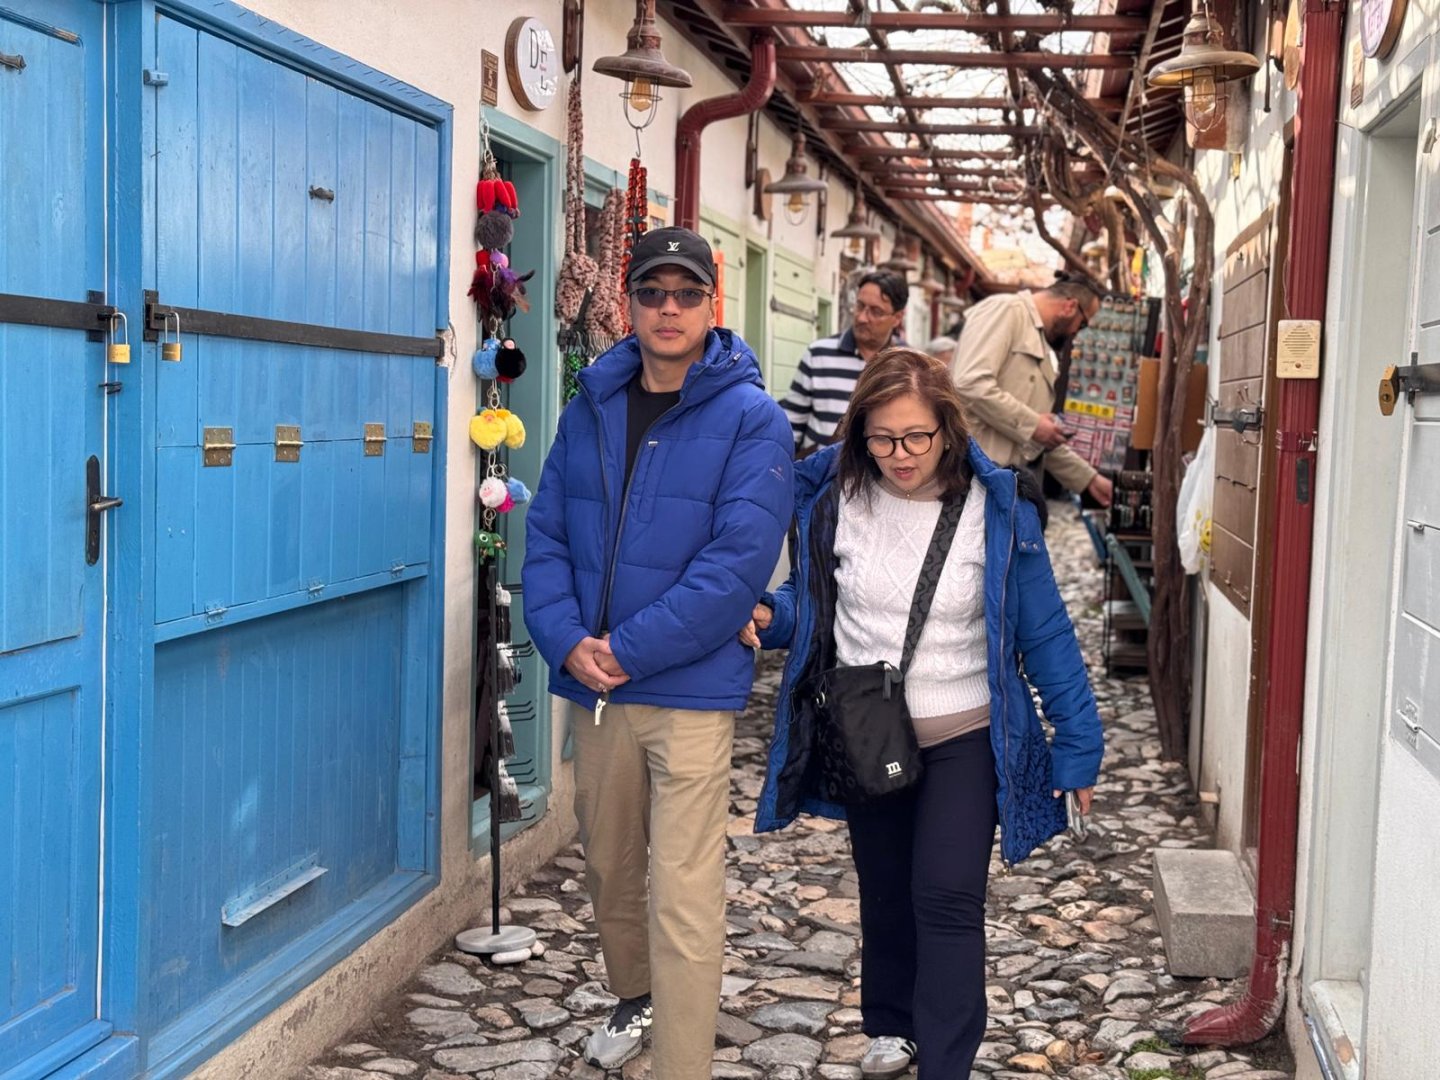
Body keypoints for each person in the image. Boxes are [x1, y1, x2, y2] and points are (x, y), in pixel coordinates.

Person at [742, 347, 1103, 1079]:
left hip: (965, 733)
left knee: (946, 895)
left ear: (947, 429)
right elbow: (815, 604)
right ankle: (892, 1022)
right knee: (885, 888)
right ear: (859, 434)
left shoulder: (995, 511)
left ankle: (945, 1064)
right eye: (881, 438)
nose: (899, 455)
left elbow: (1045, 633)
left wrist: (1078, 746)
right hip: (867, 729)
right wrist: (775, 619)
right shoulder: (835, 499)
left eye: (915, 436)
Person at [523, 227, 794, 1077]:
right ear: (629, 301)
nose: (667, 309)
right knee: (608, 869)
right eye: (651, 292)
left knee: (683, 894)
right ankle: (635, 994)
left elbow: (735, 566)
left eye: (685, 294)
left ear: (713, 303)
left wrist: (627, 649)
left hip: (689, 695)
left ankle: (683, 1065)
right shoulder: (589, 406)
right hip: (597, 689)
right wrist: (565, 641)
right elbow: (546, 536)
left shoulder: (753, 420)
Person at [950, 277, 1114, 507]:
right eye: (1082, 324)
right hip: (971, 483)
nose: (1076, 333)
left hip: (1001, 489)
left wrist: (1090, 480)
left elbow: (1034, 438)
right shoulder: (1006, 310)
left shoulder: (1041, 343)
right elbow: (970, 382)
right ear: (1070, 307)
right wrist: (1034, 425)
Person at [780, 269, 908, 456]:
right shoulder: (818, 354)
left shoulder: (906, 366)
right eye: (860, 306)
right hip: (819, 471)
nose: (862, 317)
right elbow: (792, 421)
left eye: (876, 311)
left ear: (897, 318)